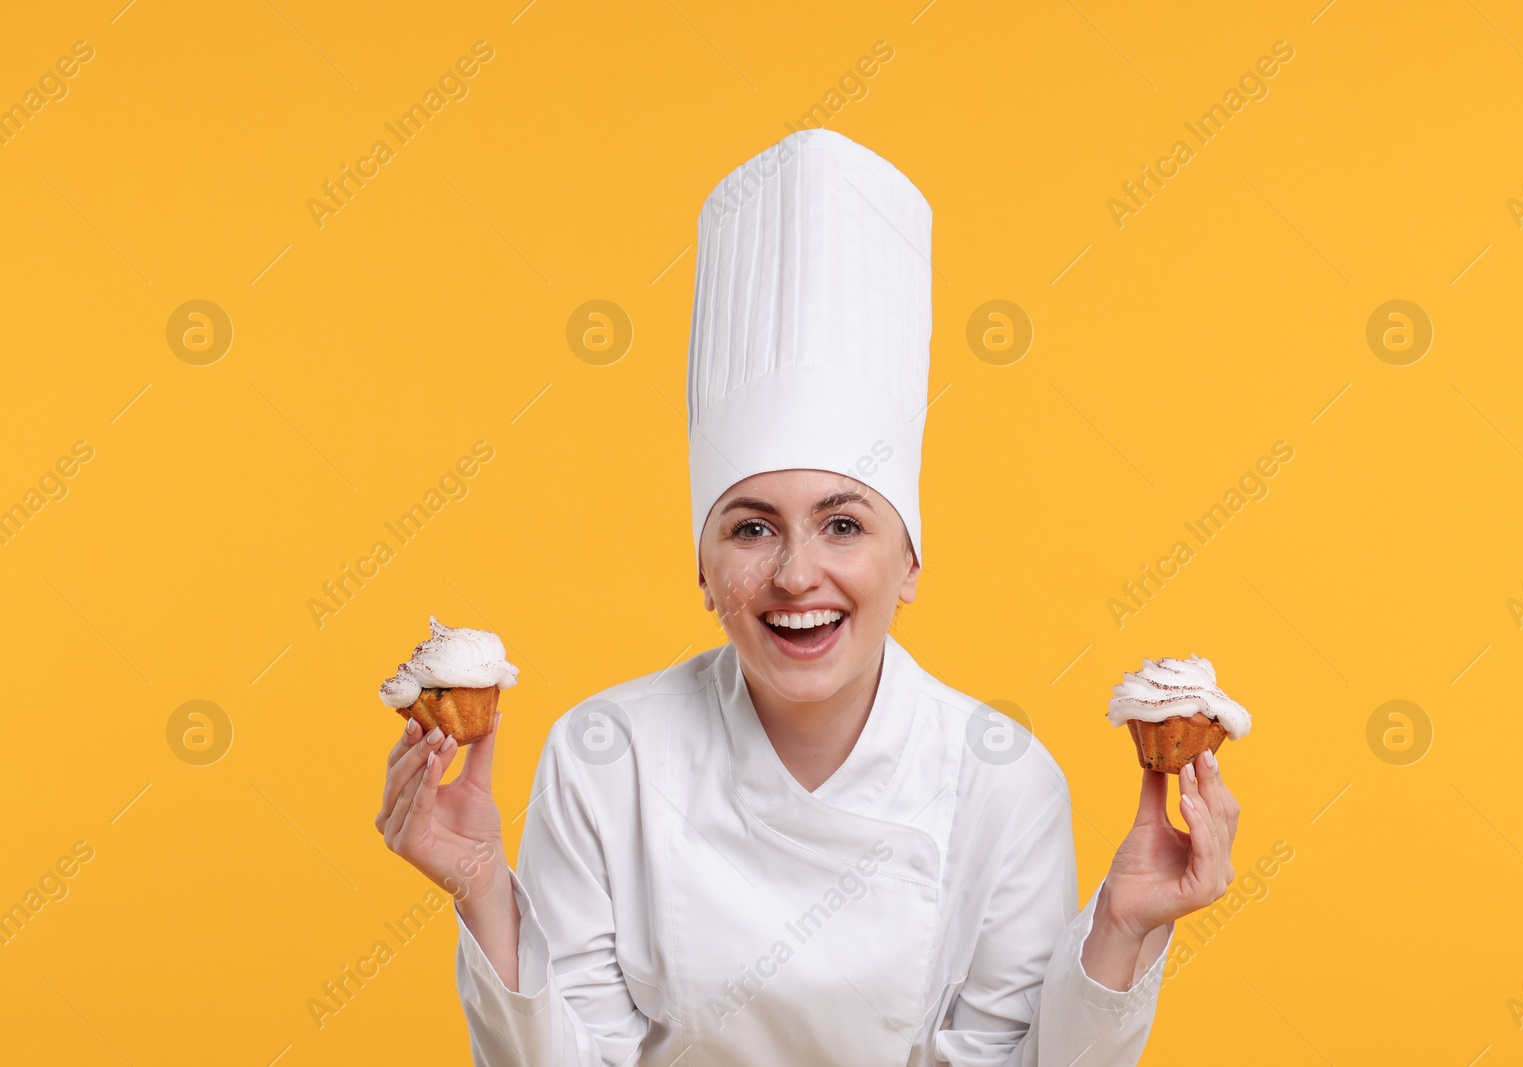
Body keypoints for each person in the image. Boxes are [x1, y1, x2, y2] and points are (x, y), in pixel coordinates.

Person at [375, 128, 1242, 1065]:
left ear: (909, 563)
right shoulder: (607, 753)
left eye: (843, 524)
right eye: (751, 527)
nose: (795, 575)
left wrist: (1119, 920)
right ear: (703, 570)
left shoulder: (1002, 778)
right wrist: (482, 890)